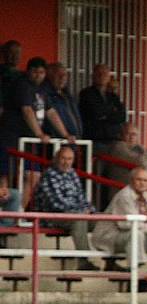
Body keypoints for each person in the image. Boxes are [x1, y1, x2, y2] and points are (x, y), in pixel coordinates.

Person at [92, 168, 147, 292]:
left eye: (145, 180)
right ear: (131, 180)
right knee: (137, 234)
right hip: (108, 237)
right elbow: (128, 224)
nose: (142, 183)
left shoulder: (146, 196)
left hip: (129, 235)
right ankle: (134, 277)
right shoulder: (125, 195)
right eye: (139, 179)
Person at [0, 57, 75, 192]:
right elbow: (27, 110)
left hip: (29, 142)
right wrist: (39, 134)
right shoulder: (22, 85)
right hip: (10, 138)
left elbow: (51, 112)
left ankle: (19, 212)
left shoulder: (42, 90)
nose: (38, 75)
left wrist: (65, 134)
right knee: (5, 177)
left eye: (41, 72)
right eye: (35, 72)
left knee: (34, 176)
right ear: (28, 71)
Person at [34, 146, 98, 270]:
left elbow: (81, 197)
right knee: (78, 220)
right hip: (52, 217)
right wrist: (81, 211)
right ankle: (84, 260)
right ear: (57, 159)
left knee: (104, 221)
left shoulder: (72, 173)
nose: (66, 162)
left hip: (74, 214)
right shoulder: (49, 175)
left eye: (69, 159)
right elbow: (56, 203)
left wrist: (90, 209)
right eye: (63, 158)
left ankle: (109, 260)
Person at [78, 64, 127, 152]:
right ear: (93, 76)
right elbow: (96, 113)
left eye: (105, 74)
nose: (101, 76)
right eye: (98, 73)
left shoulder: (113, 96)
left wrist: (105, 116)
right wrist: (111, 112)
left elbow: (122, 116)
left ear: (109, 77)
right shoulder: (86, 93)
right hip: (95, 138)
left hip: (113, 137)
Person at [43, 62, 82, 138]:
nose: (62, 78)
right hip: (56, 141)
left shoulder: (68, 95)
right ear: (49, 76)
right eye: (58, 75)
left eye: (64, 75)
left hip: (73, 140)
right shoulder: (46, 94)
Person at [0, 40, 22, 116]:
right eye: (11, 52)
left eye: (17, 52)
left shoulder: (24, 75)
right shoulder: (2, 71)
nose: (15, 56)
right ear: (4, 54)